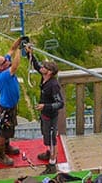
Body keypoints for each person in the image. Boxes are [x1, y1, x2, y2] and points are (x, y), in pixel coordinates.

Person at [27, 45, 64, 175]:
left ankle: (52, 165)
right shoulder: (45, 77)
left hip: (51, 116)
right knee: (46, 135)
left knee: (53, 140)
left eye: (45, 67)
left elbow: (60, 103)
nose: (41, 68)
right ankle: (49, 153)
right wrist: (30, 54)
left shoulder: (53, 85)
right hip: (45, 115)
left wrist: (45, 106)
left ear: (49, 72)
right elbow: (36, 65)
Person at [0, 37, 23, 166]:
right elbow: (15, 66)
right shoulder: (3, 75)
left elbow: (11, 49)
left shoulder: (3, 67)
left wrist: (19, 40)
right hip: (6, 107)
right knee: (3, 131)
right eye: (5, 62)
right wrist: (20, 51)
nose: (7, 61)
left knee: (9, 128)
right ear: (0, 67)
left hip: (11, 105)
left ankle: (6, 147)